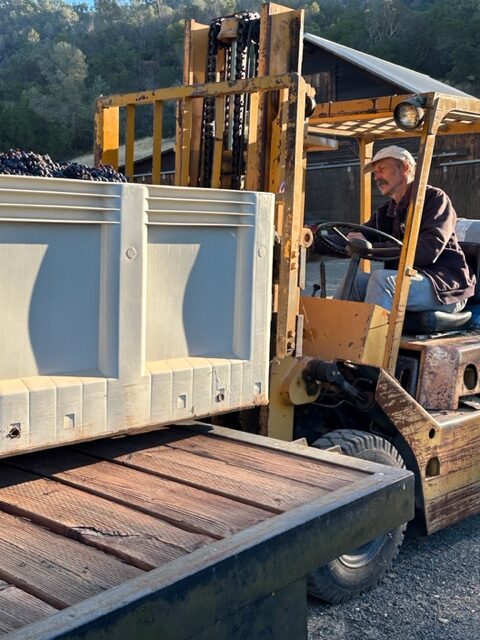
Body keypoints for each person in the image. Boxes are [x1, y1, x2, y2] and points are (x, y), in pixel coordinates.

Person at [321, 145, 475, 312]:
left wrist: (372, 248)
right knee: (354, 280)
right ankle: (337, 337)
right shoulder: (386, 212)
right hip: (408, 281)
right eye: (375, 173)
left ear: (405, 167)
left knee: (381, 280)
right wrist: (312, 241)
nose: (377, 177)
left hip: (443, 286)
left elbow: (426, 251)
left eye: (382, 169)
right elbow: (354, 239)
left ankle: (373, 338)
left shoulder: (434, 200)